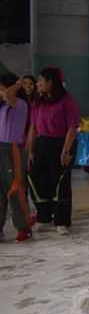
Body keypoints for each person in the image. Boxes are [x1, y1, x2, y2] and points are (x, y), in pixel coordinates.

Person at [27, 68, 80, 234]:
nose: (37, 84)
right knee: (39, 180)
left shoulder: (67, 100)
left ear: (51, 82)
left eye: (40, 81)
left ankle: (61, 221)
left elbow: (72, 127)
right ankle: (44, 217)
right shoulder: (38, 102)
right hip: (41, 144)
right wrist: (30, 149)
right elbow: (33, 127)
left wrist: (65, 151)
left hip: (61, 143)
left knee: (60, 182)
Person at [0, 75, 32, 242]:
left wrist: (18, 84)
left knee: (14, 188)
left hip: (12, 150)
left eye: (1, 87)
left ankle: (23, 228)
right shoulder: (3, 106)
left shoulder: (20, 104)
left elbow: (7, 95)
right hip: (1, 147)